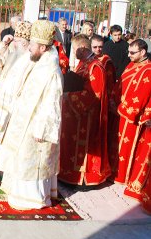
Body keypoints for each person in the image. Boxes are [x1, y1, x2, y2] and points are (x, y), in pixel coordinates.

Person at [0, 20, 63, 210]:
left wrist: (42, 128)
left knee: (33, 159)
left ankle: (33, 198)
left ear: (43, 47)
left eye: (32, 45)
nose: (29, 48)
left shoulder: (52, 70)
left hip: (37, 125)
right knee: (20, 157)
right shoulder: (36, 61)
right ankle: (17, 192)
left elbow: (53, 102)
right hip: (23, 119)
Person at [58, 35, 111, 186]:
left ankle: (83, 179)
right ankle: (69, 175)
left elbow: (93, 94)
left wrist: (68, 96)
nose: (73, 52)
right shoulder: (84, 63)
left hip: (86, 118)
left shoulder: (95, 66)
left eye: (74, 49)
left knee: (83, 150)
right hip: (75, 115)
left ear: (81, 48)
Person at [113, 39, 151, 213]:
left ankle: (126, 177)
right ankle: (118, 175)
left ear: (143, 52)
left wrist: (125, 109)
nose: (129, 55)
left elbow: (141, 95)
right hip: (121, 111)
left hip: (132, 115)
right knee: (120, 145)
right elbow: (121, 83)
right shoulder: (131, 65)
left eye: (132, 52)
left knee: (129, 147)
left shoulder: (148, 70)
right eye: (128, 52)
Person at [0, 21, 32, 163]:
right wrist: (2, 46)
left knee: (9, 131)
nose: (15, 42)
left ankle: (4, 161)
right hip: (2, 96)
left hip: (15, 101)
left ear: (25, 43)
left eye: (18, 41)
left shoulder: (31, 59)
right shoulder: (12, 51)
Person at [91, 34, 118, 173]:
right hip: (90, 103)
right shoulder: (88, 60)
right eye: (94, 47)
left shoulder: (107, 62)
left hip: (103, 102)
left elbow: (111, 84)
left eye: (100, 47)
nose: (97, 50)